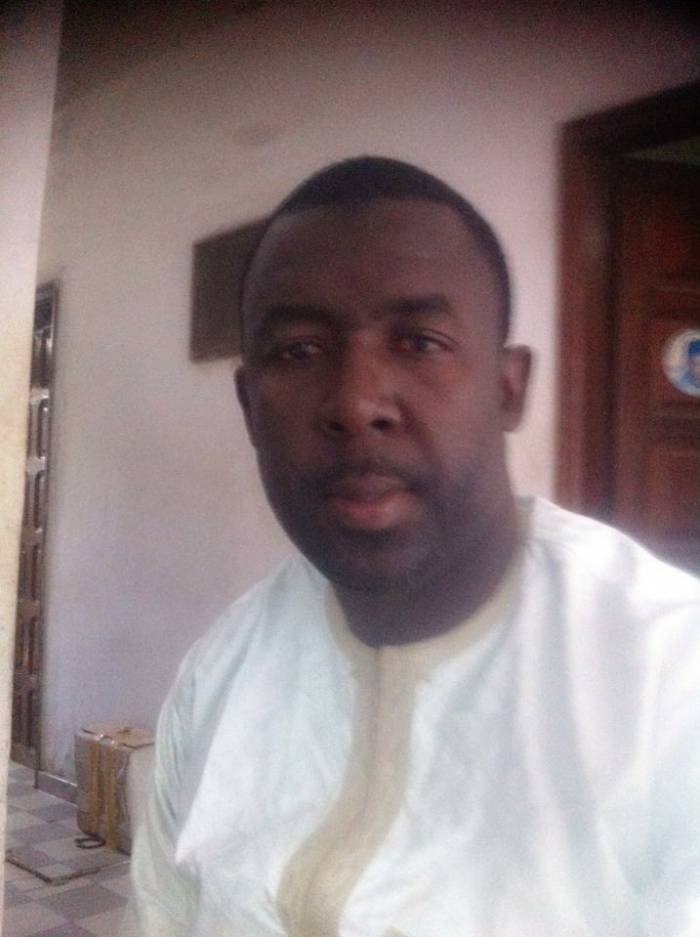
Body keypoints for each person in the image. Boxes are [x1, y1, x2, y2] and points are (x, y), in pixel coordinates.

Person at [126, 157, 700, 937]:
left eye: (421, 341)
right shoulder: (218, 673)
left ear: (508, 389)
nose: (356, 402)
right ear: (249, 405)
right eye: (297, 350)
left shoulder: (673, 679)